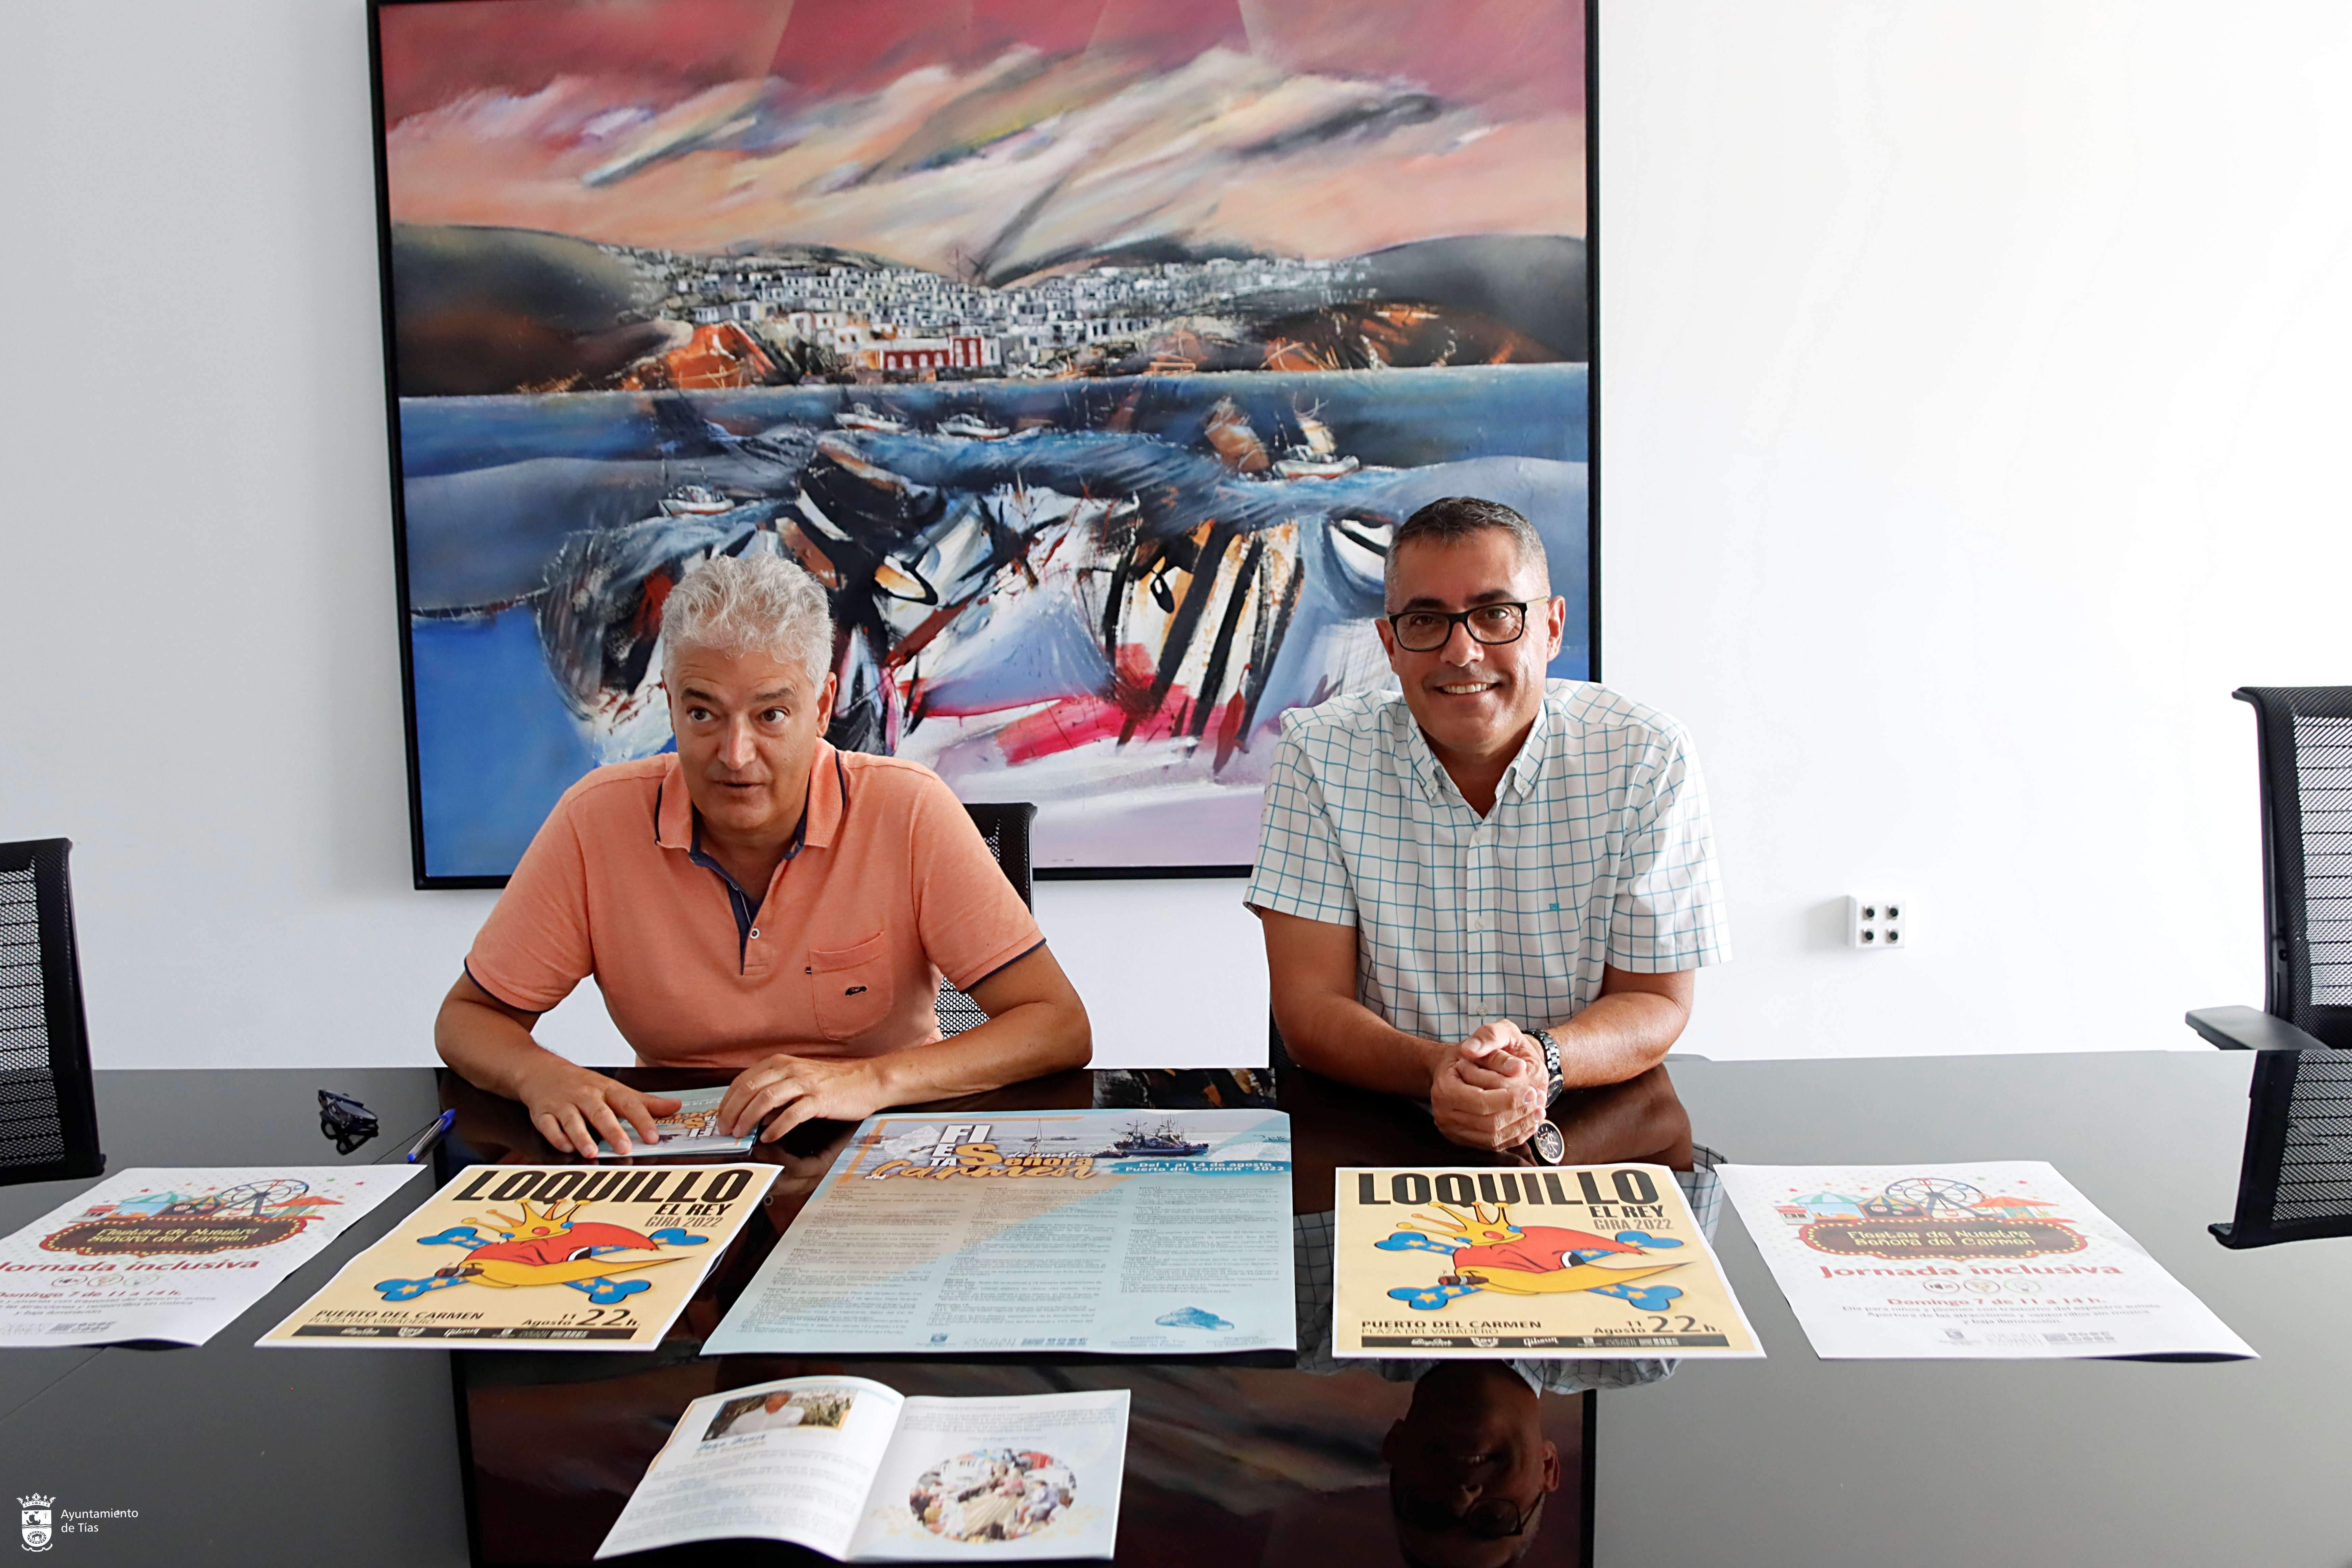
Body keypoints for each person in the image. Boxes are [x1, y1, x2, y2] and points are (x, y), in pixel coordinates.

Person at [435, 552, 1091, 1155]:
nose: (735, 755)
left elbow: (1058, 1024)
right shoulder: (595, 819)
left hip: (878, 1144)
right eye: (703, 714)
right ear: (670, 708)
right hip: (679, 1156)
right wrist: (540, 1075)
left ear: (823, 707)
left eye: (771, 715)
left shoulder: (909, 809)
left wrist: (866, 1081)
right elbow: (469, 1018)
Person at [1246, 496, 1726, 1153]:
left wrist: (1541, 1062)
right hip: (1375, 1133)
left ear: (1552, 628)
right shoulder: (1318, 753)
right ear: (1389, 644)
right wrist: (1439, 1069)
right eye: (1426, 620)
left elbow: (1658, 1001)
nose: (1463, 651)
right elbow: (1309, 1009)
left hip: (1589, 1130)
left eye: (1497, 614)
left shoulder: (1647, 756)